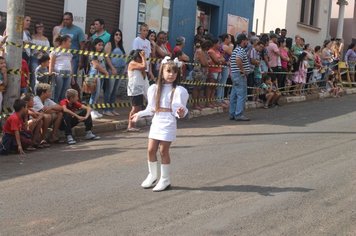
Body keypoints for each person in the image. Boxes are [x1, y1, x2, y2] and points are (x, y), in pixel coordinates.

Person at [131, 57, 189, 192]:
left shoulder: (179, 90)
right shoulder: (154, 88)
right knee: (151, 150)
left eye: (174, 72)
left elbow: (182, 112)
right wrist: (139, 114)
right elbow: (151, 108)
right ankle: (152, 175)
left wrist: (180, 112)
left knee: (163, 151)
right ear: (161, 71)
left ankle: (165, 178)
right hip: (157, 120)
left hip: (168, 121)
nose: (171, 75)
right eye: (168, 71)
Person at [103, 29, 126, 116]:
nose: (118, 36)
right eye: (116, 34)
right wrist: (112, 68)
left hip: (120, 69)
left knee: (115, 90)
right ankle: (106, 109)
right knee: (109, 90)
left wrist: (124, 69)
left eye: (120, 35)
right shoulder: (109, 44)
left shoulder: (120, 46)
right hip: (112, 69)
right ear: (113, 35)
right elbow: (107, 57)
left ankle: (112, 108)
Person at [229, 34, 251, 121]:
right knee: (241, 95)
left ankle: (232, 113)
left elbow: (232, 61)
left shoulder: (235, 49)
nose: (247, 42)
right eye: (246, 40)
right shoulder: (241, 50)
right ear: (243, 41)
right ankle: (239, 114)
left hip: (235, 74)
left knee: (234, 95)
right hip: (239, 75)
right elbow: (238, 59)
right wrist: (243, 70)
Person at [127, 49, 148, 132]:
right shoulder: (132, 63)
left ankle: (132, 125)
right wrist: (143, 57)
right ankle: (130, 125)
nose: (142, 59)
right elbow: (144, 66)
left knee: (138, 107)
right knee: (134, 108)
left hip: (139, 88)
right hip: (134, 89)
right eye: (141, 57)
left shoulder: (138, 64)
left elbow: (144, 71)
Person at [87, 38, 109, 119]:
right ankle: (90, 111)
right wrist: (106, 72)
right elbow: (96, 65)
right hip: (95, 75)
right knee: (94, 94)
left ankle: (94, 109)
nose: (101, 47)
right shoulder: (93, 54)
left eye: (102, 45)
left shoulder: (101, 54)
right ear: (94, 45)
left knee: (98, 94)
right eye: (99, 45)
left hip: (101, 75)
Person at [60, 12, 86, 76]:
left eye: (67, 19)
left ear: (72, 20)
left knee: (72, 77)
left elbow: (82, 46)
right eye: (64, 19)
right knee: (62, 77)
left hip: (74, 58)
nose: (65, 21)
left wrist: (81, 60)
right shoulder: (62, 30)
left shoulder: (78, 30)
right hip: (62, 57)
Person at [49, 35, 73, 103]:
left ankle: (62, 107)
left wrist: (72, 76)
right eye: (69, 42)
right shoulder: (55, 51)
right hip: (58, 73)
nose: (70, 43)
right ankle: (55, 106)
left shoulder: (69, 52)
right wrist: (50, 73)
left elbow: (71, 64)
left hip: (68, 73)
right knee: (57, 91)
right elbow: (51, 62)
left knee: (65, 92)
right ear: (64, 42)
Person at [190, 40, 211, 110]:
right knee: (196, 88)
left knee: (200, 89)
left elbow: (209, 61)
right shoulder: (200, 51)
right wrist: (207, 62)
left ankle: (198, 103)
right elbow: (204, 63)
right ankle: (195, 104)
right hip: (198, 72)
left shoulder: (204, 52)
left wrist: (207, 62)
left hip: (202, 72)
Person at [30, 21, 50, 92]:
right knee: (34, 75)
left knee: (45, 76)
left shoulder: (46, 39)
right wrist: (41, 50)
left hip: (43, 60)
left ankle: (43, 91)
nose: (39, 28)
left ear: (43, 28)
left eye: (41, 27)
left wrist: (40, 51)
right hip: (34, 58)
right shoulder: (32, 37)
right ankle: (34, 91)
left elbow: (47, 50)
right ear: (35, 28)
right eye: (37, 27)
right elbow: (32, 49)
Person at [206, 38, 224, 108]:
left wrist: (220, 60)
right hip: (212, 70)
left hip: (218, 70)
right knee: (210, 87)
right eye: (218, 43)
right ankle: (208, 102)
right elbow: (217, 61)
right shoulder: (211, 51)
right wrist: (220, 60)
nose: (219, 45)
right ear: (214, 44)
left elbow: (223, 59)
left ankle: (212, 101)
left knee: (214, 88)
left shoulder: (217, 51)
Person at [218, 34, 233, 106]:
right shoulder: (224, 46)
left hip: (225, 65)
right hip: (224, 65)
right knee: (222, 83)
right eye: (229, 38)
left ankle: (221, 98)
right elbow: (231, 53)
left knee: (223, 83)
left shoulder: (222, 45)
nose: (231, 40)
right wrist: (231, 45)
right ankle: (219, 99)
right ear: (226, 39)